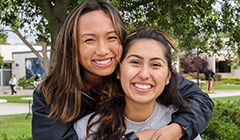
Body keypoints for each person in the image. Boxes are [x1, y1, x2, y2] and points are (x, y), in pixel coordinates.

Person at [32, 1, 214, 140]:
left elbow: (201, 101)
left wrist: (177, 129)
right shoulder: (50, 95)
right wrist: (139, 137)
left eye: (111, 37)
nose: (103, 50)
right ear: (72, 47)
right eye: (89, 40)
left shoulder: (137, 76)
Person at [74, 27, 203, 140]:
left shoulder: (181, 127)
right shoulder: (88, 129)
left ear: (168, 76)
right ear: (119, 70)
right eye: (135, 62)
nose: (144, 74)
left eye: (155, 64)